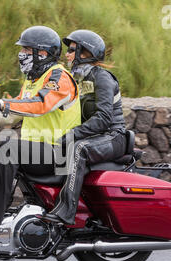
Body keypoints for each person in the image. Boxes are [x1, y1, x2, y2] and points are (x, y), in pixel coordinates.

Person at [0, 26, 81, 237]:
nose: (22, 55)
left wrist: (1, 103)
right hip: (38, 151)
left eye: (28, 50)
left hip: (61, 152)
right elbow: (12, 115)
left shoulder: (59, 78)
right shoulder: (34, 80)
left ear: (43, 53)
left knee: (10, 149)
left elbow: (39, 105)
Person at [41, 29, 127, 225]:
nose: (67, 54)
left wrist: (72, 134)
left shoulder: (102, 77)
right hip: (95, 136)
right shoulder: (76, 78)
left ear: (85, 53)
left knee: (79, 149)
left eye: (72, 50)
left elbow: (104, 118)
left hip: (112, 136)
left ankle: (66, 212)